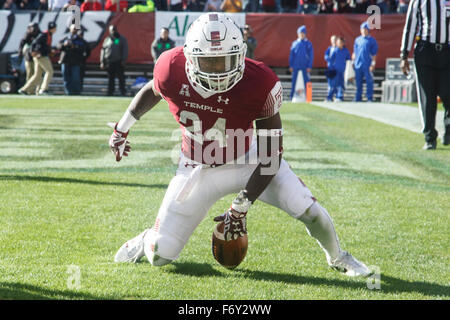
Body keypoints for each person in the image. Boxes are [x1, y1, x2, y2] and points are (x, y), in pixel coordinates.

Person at [110, 13, 372, 278]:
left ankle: (338, 257)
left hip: (250, 159)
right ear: (190, 58)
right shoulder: (170, 68)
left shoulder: (260, 83)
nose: (218, 71)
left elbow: (271, 156)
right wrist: (122, 127)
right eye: (209, 62)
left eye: (225, 60)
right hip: (197, 166)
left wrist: (241, 206)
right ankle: (146, 238)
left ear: (240, 54)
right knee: (160, 254)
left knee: (309, 210)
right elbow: (153, 90)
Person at [400, 0, 449, 150]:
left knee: (448, 94)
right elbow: (410, 26)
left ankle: (448, 131)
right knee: (427, 96)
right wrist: (404, 55)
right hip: (426, 51)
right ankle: (429, 137)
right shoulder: (419, 1)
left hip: (448, 51)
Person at [18, 21, 57, 96]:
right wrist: (34, 51)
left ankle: (24, 89)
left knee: (37, 75)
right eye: (54, 28)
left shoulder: (47, 35)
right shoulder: (44, 35)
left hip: (39, 56)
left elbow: (43, 45)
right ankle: (44, 89)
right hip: (41, 56)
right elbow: (34, 43)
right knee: (49, 71)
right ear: (53, 29)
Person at [352, 22, 378, 102]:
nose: (363, 31)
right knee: (358, 82)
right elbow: (355, 52)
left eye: (365, 29)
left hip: (367, 64)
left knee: (369, 81)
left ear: (368, 30)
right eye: (362, 29)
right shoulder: (357, 40)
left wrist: (373, 64)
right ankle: (358, 97)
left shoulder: (372, 40)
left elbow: (374, 54)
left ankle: (369, 97)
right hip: (358, 64)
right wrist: (353, 62)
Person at [100, 25, 128, 96]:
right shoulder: (107, 39)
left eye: (114, 29)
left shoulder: (121, 39)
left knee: (121, 77)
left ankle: (122, 91)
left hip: (118, 61)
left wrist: (123, 59)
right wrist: (102, 61)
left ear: (116, 30)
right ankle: (110, 92)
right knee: (110, 78)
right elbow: (103, 50)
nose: (113, 31)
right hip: (109, 62)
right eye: (111, 30)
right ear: (109, 31)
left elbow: (125, 49)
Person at [57, 24, 85, 95]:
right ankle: (69, 93)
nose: (74, 30)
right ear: (70, 29)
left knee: (75, 78)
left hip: (75, 62)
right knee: (66, 79)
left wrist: (74, 46)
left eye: (76, 28)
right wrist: (64, 45)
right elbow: (58, 46)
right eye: (73, 28)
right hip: (65, 61)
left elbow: (83, 49)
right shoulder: (65, 38)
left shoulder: (80, 39)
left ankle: (76, 93)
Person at [289, 25, 313, 100]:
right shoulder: (294, 43)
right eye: (300, 33)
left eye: (303, 33)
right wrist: (291, 65)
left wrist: (309, 66)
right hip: (296, 65)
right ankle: (291, 97)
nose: (301, 34)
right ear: (298, 34)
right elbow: (291, 55)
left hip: (305, 65)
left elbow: (311, 56)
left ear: (305, 34)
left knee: (307, 81)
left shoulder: (308, 43)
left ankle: (309, 97)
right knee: (294, 81)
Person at [326, 36, 351, 102]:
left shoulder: (346, 51)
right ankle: (329, 98)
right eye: (338, 42)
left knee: (341, 84)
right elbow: (331, 60)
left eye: (340, 42)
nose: (338, 44)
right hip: (335, 70)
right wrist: (331, 69)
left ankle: (339, 97)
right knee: (333, 84)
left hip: (342, 71)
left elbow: (348, 60)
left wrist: (348, 69)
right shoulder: (335, 50)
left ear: (343, 43)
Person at [77, 29, 91, 94]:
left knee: (80, 77)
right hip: (75, 62)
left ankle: (79, 89)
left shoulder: (84, 43)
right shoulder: (75, 41)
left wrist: (83, 58)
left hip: (81, 62)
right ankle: (75, 89)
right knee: (75, 76)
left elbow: (88, 52)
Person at [324, 35, 337, 101]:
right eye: (333, 40)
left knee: (336, 84)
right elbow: (326, 56)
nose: (334, 41)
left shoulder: (339, 49)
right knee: (330, 84)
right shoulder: (329, 49)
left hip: (337, 69)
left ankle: (336, 96)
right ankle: (329, 97)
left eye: (335, 39)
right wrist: (329, 60)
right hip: (330, 69)